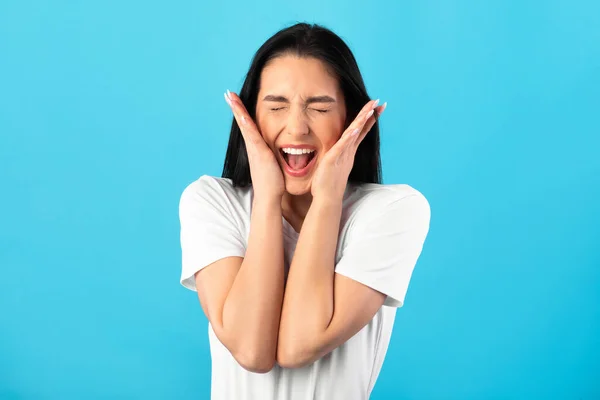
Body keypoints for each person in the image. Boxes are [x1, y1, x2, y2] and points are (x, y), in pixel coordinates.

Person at [178, 22, 431, 400]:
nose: (297, 127)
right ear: (249, 115)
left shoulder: (393, 211)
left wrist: (327, 199)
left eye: (319, 107)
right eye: (277, 106)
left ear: (352, 117)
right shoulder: (212, 201)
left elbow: (299, 344)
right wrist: (266, 199)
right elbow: (251, 350)